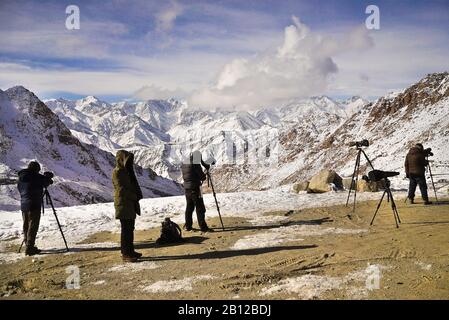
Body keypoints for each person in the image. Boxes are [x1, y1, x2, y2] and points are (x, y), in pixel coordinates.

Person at [112, 150, 143, 262]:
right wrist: (134, 196)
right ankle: (125, 253)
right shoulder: (117, 172)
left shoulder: (125, 172)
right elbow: (121, 190)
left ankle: (130, 251)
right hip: (123, 203)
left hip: (128, 203)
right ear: (121, 160)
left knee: (130, 228)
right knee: (126, 230)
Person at [17, 161, 53, 256]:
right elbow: (46, 183)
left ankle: (28, 245)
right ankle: (30, 248)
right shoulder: (35, 177)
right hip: (34, 205)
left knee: (26, 226)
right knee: (33, 226)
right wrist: (48, 177)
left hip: (24, 205)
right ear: (36, 169)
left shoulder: (22, 177)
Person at [181, 150, 213, 232]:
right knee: (200, 208)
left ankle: (188, 226)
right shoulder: (195, 164)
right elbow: (202, 177)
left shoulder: (184, 163)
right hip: (195, 189)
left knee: (189, 207)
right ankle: (203, 227)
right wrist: (206, 171)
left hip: (187, 189)